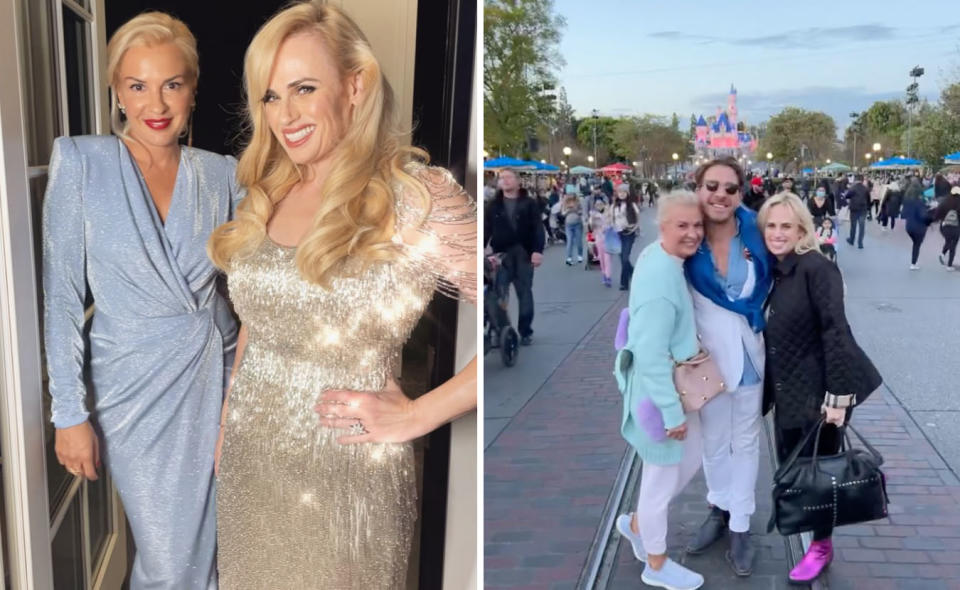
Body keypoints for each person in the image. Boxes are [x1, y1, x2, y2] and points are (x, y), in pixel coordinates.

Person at [206, 4, 477, 587]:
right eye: (271, 96)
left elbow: (500, 311)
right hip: (252, 463)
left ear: (355, 86)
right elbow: (258, 323)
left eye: (304, 88)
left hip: (345, 477)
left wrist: (418, 414)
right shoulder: (267, 189)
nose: (286, 115)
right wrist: (229, 421)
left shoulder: (416, 197)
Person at [43, 13, 240, 589]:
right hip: (129, 391)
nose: (156, 102)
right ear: (116, 90)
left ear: (193, 89)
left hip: (215, 378)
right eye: (137, 85)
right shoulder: (82, 162)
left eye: (172, 84)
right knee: (169, 555)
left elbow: (269, 259)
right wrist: (69, 413)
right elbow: (59, 297)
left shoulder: (221, 174)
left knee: (209, 546)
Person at [758, 192, 882, 584]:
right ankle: (812, 536)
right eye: (771, 226)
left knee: (821, 475)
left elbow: (836, 332)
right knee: (795, 470)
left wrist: (838, 400)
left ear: (802, 229)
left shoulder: (817, 268)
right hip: (787, 391)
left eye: (786, 226)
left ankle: (821, 546)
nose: (778, 234)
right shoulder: (775, 270)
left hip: (819, 394)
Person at [684, 157, 773, 577]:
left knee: (747, 441)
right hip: (707, 360)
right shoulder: (686, 232)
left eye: (730, 188)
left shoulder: (758, 228)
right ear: (698, 188)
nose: (720, 195)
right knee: (714, 441)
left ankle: (740, 525)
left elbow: (790, 257)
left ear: (741, 193)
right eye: (712, 186)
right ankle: (718, 508)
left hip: (750, 351)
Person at [614, 190, 707, 590]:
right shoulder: (660, 277)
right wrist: (671, 414)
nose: (693, 234)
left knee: (689, 459)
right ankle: (656, 560)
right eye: (682, 226)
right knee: (660, 481)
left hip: (672, 386)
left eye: (697, 225)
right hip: (662, 394)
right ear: (662, 226)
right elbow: (650, 354)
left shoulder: (660, 256)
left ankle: (637, 525)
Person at [485, 167, 544, 345]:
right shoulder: (493, 205)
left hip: (523, 254)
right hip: (502, 255)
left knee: (524, 293)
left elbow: (538, 229)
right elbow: (486, 230)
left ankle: (525, 330)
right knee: (498, 293)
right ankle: (503, 330)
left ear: (517, 181)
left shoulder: (529, 203)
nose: (505, 181)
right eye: (502, 178)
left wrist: (537, 251)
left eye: (509, 177)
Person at [612, 183, 642, 290]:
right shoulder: (615, 205)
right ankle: (633, 273)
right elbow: (612, 217)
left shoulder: (631, 205)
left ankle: (624, 283)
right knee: (622, 258)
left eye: (624, 192)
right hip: (618, 233)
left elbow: (638, 217)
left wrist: (634, 227)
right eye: (620, 192)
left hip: (629, 233)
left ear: (627, 193)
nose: (622, 194)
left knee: (625, 258)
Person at [901, 176, 932, 270]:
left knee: (915, 243)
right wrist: (929, 218)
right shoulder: (920, 202)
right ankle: (913, 263)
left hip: (909, 226)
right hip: (919, 227)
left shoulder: (907, 200)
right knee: (917, 244)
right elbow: (923, 216)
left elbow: (903, 214)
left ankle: (914, 262)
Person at [934, 185, 960, 270]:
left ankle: (942, 254)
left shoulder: (946, 201)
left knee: (948, 241)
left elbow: (938, 212)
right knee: (953, 245)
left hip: (945, 226)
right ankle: (949, 265)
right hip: (956, 226)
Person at [589, 200, 613, 287]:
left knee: (607, 259)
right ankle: (604, 274)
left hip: (608, 240)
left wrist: (607, 227)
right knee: (601, 259)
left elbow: (612, 225)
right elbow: (591, 227)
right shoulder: (593, 215)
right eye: (597, 204)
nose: (599, 206)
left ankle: (608, 277)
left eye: (600, 204)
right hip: (598, 239)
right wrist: (592, 219)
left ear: (604, 205)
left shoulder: (608, 213)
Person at [844, 175, 871, 249]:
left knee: (853, 226)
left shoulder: (853, 188)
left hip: (854, 209)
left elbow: (847, 196)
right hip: (863, 209)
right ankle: (860, 243)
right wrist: (868, 209)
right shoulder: (866, 188)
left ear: (855, 180)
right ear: (862, 180)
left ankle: (852, 240)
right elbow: (869, 199)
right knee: (862, 227)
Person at [562, 193, 585, 265]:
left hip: (577, 223)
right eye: (570, 198)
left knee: (579, 241)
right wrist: (568, 211)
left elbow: (581, 212)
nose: (571, 200)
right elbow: (563, 213)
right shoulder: (565, 204)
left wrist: (576, 210)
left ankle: (580, 256)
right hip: (568, 224)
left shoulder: (578, 203)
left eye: (573, 198)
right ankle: (569, 258)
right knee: (569, 241)